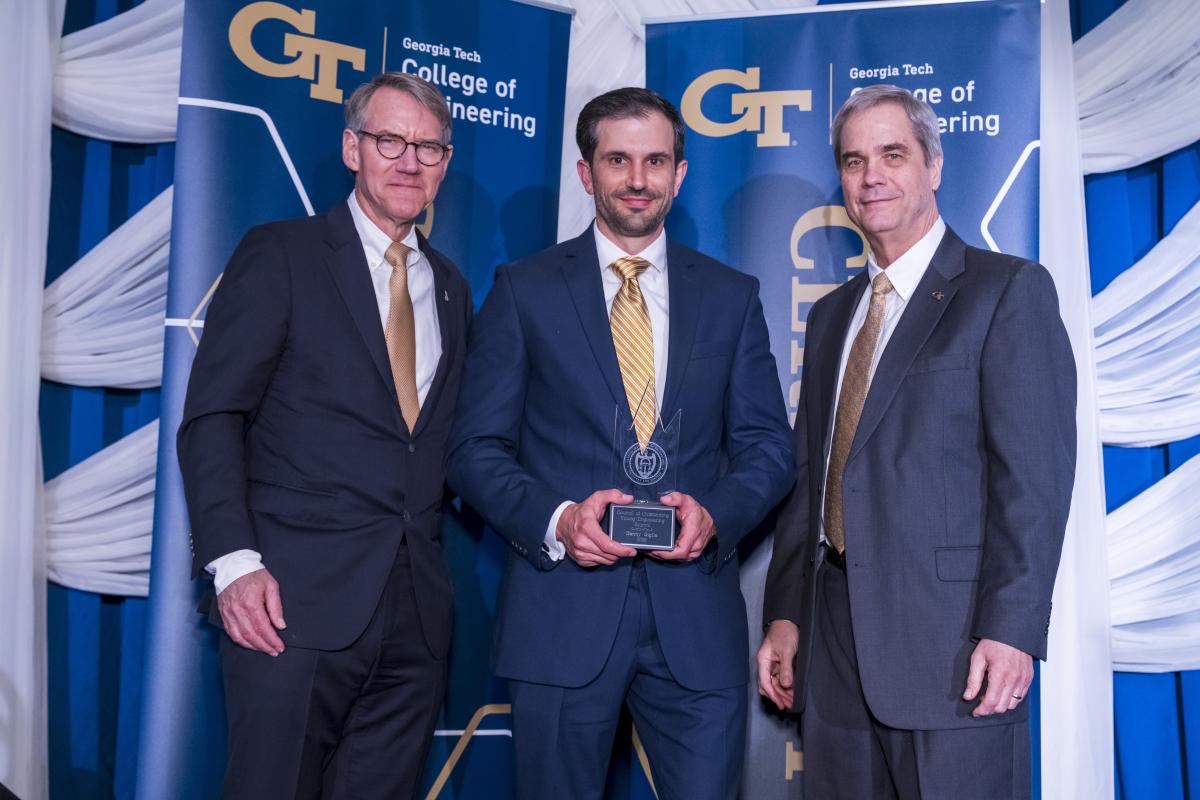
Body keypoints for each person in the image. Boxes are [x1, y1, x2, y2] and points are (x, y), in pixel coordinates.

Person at [447, 87, 794, 799]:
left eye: (656, 160)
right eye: (618, 160)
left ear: (680, 173)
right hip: (562, 615)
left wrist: (716, 517)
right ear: (586, 172)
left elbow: (767, 447)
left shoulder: (732, 296)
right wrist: (559, 520)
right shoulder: (524, 290)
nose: (638, 178)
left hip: (694, 622)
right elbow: (474, 448)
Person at [756, 84, 1077, 798]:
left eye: (892, 154)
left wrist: (1013, 629)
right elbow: (812, 478)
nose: (871, 176)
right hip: (833, 646)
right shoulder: (836, 314)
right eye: (854, 160)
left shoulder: (1006, 290)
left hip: (956, 647)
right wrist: (786, 612)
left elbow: (1035, 480)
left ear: (933, 165)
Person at [177, 72, 471, 799]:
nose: (410, 162)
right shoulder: (281, 253)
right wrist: (234, 565)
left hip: (414, 621)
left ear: (446, 161)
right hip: (289, 607)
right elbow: (213, 417)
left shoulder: (452, 287)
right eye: (390, 141)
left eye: (429, 147)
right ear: (352, 148)